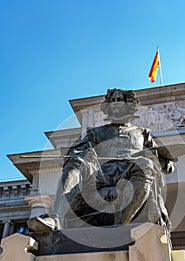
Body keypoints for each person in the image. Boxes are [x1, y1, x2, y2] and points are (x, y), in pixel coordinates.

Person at [28, 89, 175, 233]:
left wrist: (164, 162)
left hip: (129, 174)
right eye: (112, 100)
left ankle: (120, 225)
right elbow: (79, 151)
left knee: (146, 164)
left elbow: (167, 165)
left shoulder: (142, 133)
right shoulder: (96, 132)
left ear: (129, 105)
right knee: (77, 160)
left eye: (120, 100)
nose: (116, 103)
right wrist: (73, 155)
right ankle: (56, 218)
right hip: (100, 176)